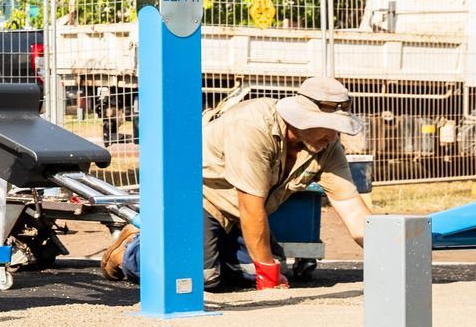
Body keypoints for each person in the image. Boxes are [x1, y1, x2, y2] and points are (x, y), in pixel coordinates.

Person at [102, 76, 371, 290]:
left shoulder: (327, 146)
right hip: (198, 199)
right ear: (302, 118)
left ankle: (214, 254)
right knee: (198, 279)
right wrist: (268, 276)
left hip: (236, 214)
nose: (335, 136)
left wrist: (390, 259)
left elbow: (351, 207)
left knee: (262, 271)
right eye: (328, 127)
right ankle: (131, 249)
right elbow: (251, 206)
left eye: (339, 128)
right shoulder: (253, 127)